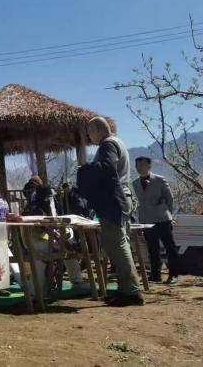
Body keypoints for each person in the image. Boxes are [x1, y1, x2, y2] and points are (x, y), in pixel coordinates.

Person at [82, 116, 143, 306]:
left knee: (116, 245)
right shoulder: (119, 142)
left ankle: (132, 292)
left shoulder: (107, 145)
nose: (89, 137)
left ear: (97, 130)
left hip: (114, 200)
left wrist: (85, 170)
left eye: (90, 133)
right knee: (120, 244)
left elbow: (107, 168)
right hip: (124, 198)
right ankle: (124, 289)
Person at [132, 156, 179, 285]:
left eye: (142, 164)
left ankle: (173, 275)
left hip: (162, 218)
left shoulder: (159, 180)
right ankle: (155, 275)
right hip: (146, 220)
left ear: (149, 166)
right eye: (137, 165)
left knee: (170, 247)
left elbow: (169, 198)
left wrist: (167, 213)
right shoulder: (135, 183)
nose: (139, 167)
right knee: (152, 249)